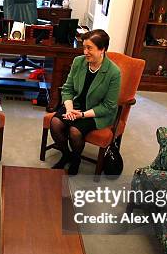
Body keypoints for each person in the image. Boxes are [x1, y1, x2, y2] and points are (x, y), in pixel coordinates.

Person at [50, 29, 121, 175]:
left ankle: (76, 160)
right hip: (75, 105)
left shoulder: (114, 72)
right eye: (84, 47)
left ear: (102, 49)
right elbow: (68, 89)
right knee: (55, 123)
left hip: (96, 112)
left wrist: (81, 115)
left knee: (75, 131)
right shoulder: (78, 62)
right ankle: (66, 154)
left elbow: (108, 106)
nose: (85, 52)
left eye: (90, 48)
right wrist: (69, 109)